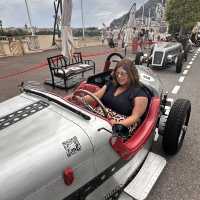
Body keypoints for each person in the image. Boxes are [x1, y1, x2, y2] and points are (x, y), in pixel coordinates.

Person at [80, 58, 149, 134]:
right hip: (101, 117)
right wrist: (82, 99)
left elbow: (135, 117)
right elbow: (97, 95)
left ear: (131, 74)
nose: (119, 76)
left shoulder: (140, 93)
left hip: (123, 124)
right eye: (117, 73)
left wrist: (115, 124)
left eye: (122, 73)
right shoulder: (111, 84)